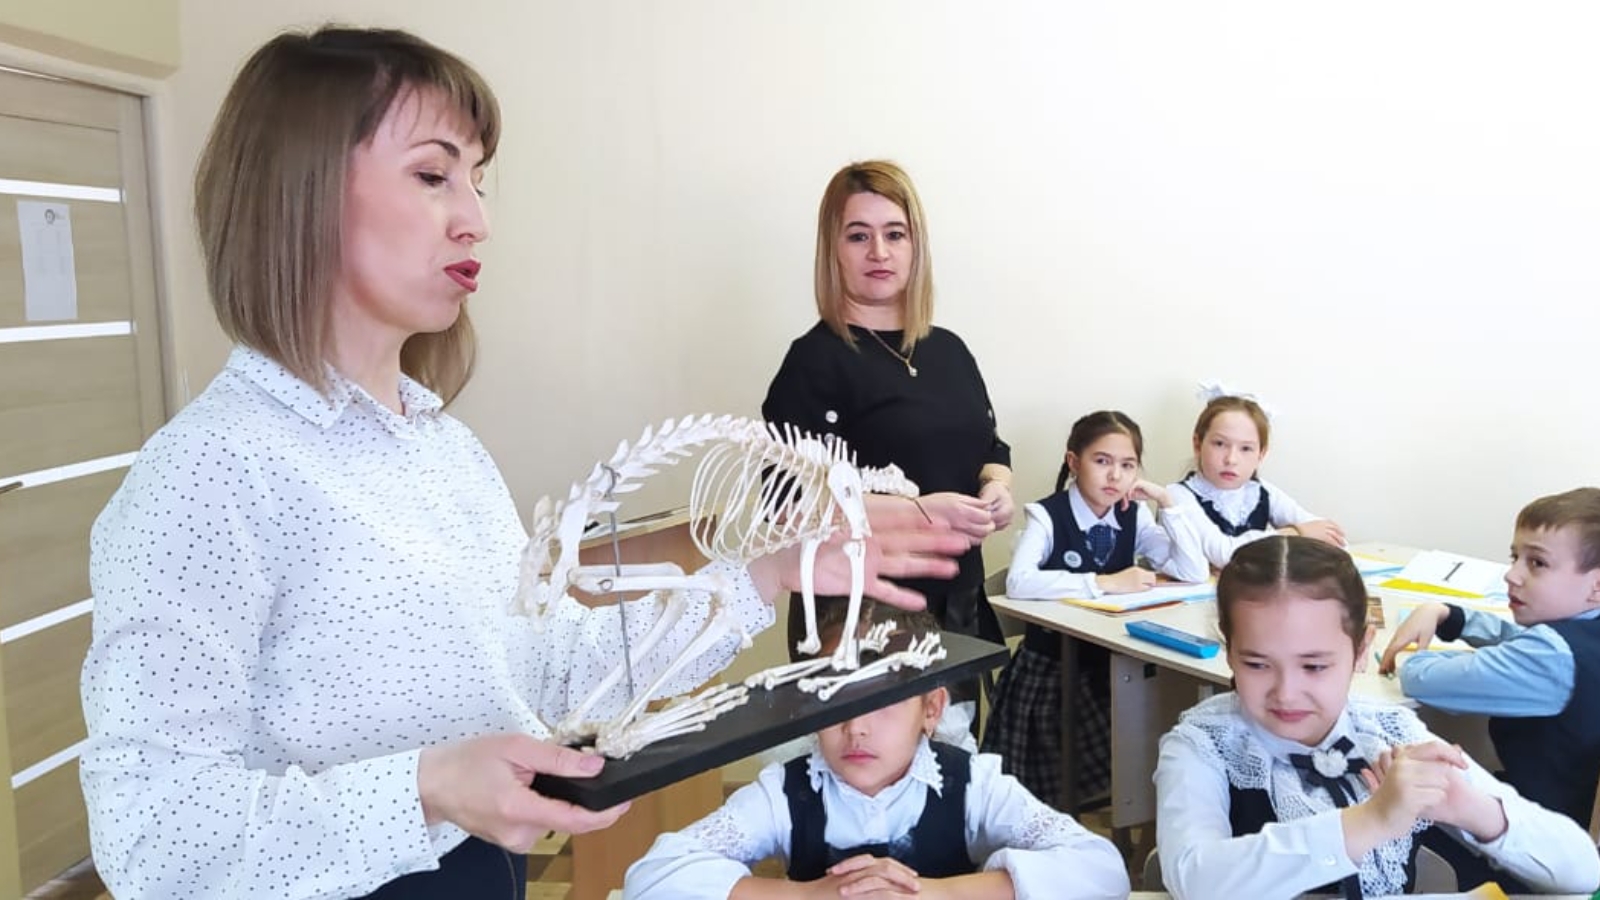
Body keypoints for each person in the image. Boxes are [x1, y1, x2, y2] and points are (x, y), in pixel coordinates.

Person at [78, 27, 968, 900]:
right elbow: (151, 834)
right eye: (433, 176)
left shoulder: (444, 451)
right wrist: (425, 788)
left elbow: (551, 670)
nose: (476, 219)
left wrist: (766, 574)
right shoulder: (210, 473)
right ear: (300, 192)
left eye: (476, 180)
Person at [1154, 536, 1598, 899]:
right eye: (1256, 664)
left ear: (1362, 649)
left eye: (1315, 666)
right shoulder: (1203, 743)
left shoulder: (1388, 731)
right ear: (1229, 649)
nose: (1286, 692)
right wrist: (1371, 820)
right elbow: (1194, 880)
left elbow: (1583, 870)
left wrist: (1471, 808)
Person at [621, 602, 1129, 900]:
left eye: (882, 703)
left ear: (932, 708)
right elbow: (652, 876)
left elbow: (1101, 870)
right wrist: (809, 896)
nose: (855, 728)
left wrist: (930, 893)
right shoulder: (786, 791)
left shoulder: (973, 784)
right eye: (834, 701)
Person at [761, 160, 1013, 685]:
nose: (879, 251)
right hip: (856, 617)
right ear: (834, 250)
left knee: (954, 736)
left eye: (895, 234)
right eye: (859, 236)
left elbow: (990, 447)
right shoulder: (814, 362)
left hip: (958, 608)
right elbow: (784, 505)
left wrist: (997, 488)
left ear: (916, 246)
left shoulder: (950, 351)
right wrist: (916, 513)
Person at [982, 410, 1208, 806]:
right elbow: (1018, 582)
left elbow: (1193, 572)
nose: (1114, 476)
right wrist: (1104, 582)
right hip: (1054, 675)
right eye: (1102, 461)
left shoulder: (1133, 514)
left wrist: (1166, 502)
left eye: (1128, 465)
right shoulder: (1047, 515)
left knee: (1162, 708)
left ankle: (1135, 813)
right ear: (1074, 462)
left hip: (1110, 666)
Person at [1379, 486, 1600, 828]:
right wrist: (1449, 615)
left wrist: (1415, 653)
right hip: (1566, 810)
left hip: (1524, 830)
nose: (1512, 575)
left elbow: (1421, 679)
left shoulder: (1551, 657)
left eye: (1537, 563)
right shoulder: (1577, 636)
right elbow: (1527, 642)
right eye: (1515, 557)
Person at [1168, 388, 1345, 569]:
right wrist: (1296, 532)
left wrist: (1310, 532)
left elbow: (1327, 534)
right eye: (1220, 444)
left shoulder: (1261, 491)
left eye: (1246, 449)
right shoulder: (1175, 496)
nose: (1231, 459)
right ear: (1197, 444)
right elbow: (1224, 554)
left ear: (1261, 454)